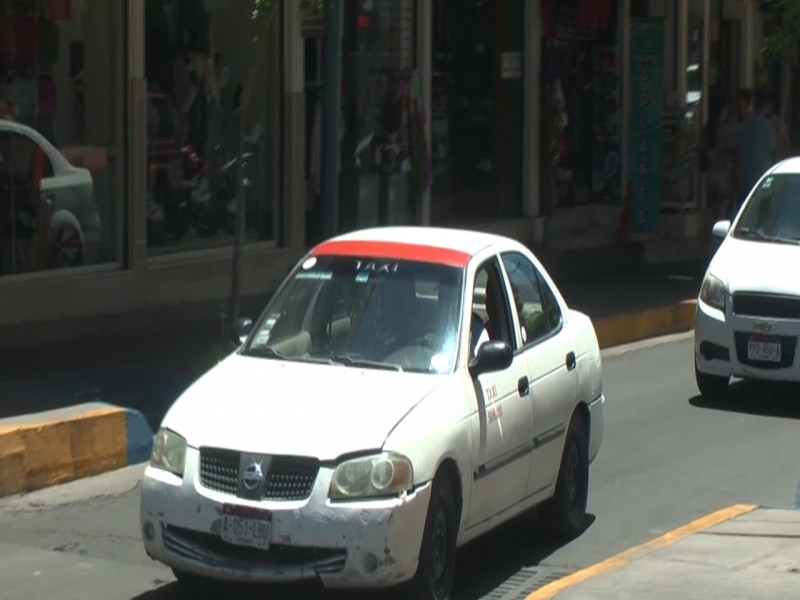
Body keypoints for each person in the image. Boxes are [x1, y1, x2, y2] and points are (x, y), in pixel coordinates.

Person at [737, 88, 775, 216]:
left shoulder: (743, 126)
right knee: (763, 214)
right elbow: (771, 150)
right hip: (764, 177)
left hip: (747, 178)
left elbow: (739, 152)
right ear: (767, 105)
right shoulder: (767, 125)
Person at [701, 91, 738, 221]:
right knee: (721, 217)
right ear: (722, 109)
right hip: (723, 176)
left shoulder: (706, 130)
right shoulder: (726, 130)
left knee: (711, 217)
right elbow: (732, 155)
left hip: (709, 177)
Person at [763, 92, 791, 160]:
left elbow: (786, 141)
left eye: (768, 105)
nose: (766, 108)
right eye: (765, 105)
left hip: (778, 158)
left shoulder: (778, 121)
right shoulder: (762, 123)